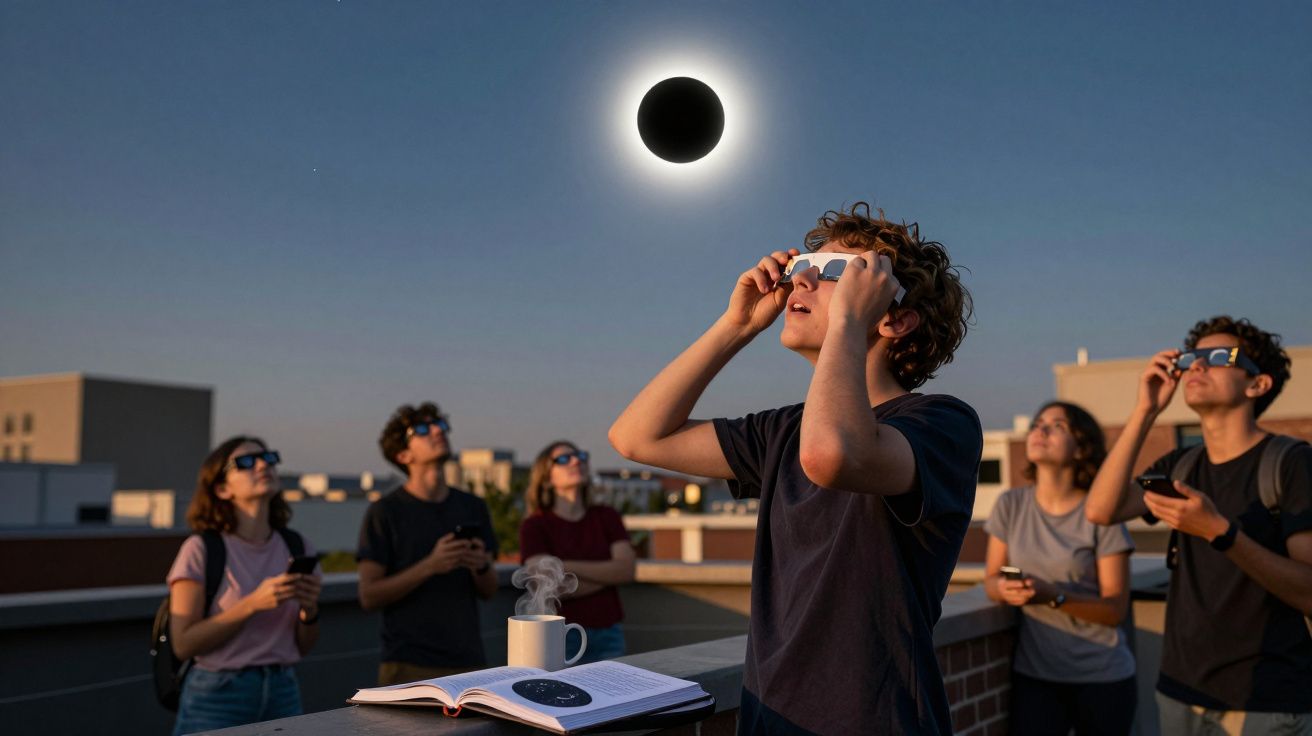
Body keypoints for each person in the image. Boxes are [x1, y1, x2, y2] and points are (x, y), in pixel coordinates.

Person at [609, 202, 981, 734]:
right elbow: (637, 436)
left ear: (894, 316)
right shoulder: (786, 430)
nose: (800, 279)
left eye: (832, 272)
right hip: (770, 718)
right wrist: (735, 327)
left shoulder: (941, 423)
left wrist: (849, 322)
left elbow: (831, 456)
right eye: (800, 266)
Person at [1085, 316, 1312, 734]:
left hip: (1265, 700)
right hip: (1180, 691)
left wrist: (1219, 532)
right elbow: (1101, 510)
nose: (1198, 366)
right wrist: (1145, 410)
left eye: (1219, 356)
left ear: (1257, 384)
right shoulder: (1182, 465)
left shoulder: (1291, 463)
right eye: (1193, 357)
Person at [984, 401, 1136, 736]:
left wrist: (1055, 597)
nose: (1041, 430)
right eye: (1038, 423)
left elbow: (1115, 609)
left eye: (1057, 426)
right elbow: (991, 580)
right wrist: (1005, 589)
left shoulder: (1102, 514)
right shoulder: (1010, 504)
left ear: (1081, 448)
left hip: (1103, 679)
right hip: (1036, 678)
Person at [166, 436, 321, 736]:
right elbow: (183, 644)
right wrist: (252, 604)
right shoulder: (201, 549)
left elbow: (303, 645)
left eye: (269, 458)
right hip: (217, 694)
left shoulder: (298, 546)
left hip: (282, 688)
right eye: (246, 462)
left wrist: (310, 610)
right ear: (222, 489)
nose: (263, 464)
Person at [357, 401, 499, 686]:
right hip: (408, 665)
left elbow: (490, 590)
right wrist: (430, 566)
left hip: (469, 663)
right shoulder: (385, 512)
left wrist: (480, 565)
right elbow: (369, 596)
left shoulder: (472, 506)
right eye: (422, 429)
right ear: (403, 454)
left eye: (440, 425)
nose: (437, 430)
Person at [519, 440, 636, 663]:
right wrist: (608, 575)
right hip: (561, 636)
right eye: (563, 459)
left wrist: (565, 565)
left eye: (580, 456)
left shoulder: (606, 516)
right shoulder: (535, 525)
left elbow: (626, 570)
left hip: (609, 633)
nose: (576, 461)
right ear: (546, 477)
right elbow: (547, 585)